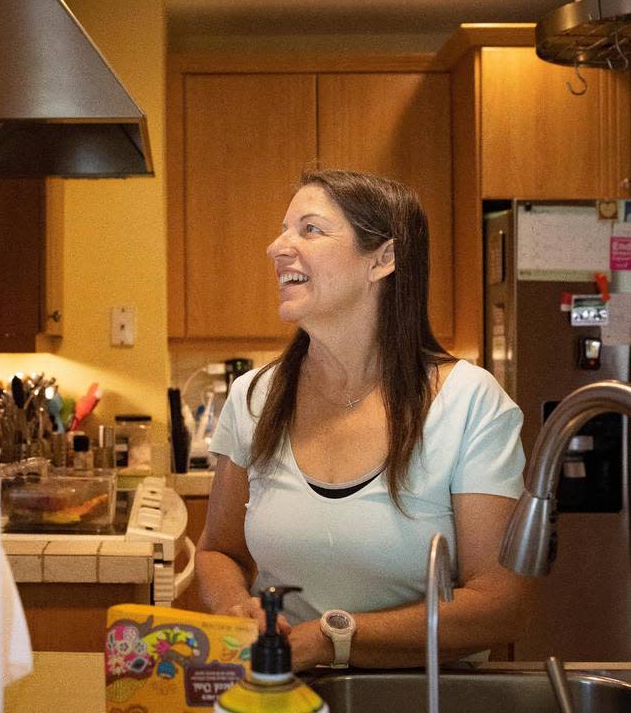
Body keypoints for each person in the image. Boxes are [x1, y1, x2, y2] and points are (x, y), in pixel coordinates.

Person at [196, 169, 536, 670]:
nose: (277, 247)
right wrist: (233, 607)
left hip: (424, 697)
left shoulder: (468, 403)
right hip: (284, 693)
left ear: (383, 259)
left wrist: (334, 637)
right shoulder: (256, 397)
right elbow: (218, 551)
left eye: (309, 229)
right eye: (283, 229)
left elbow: (501, 604)